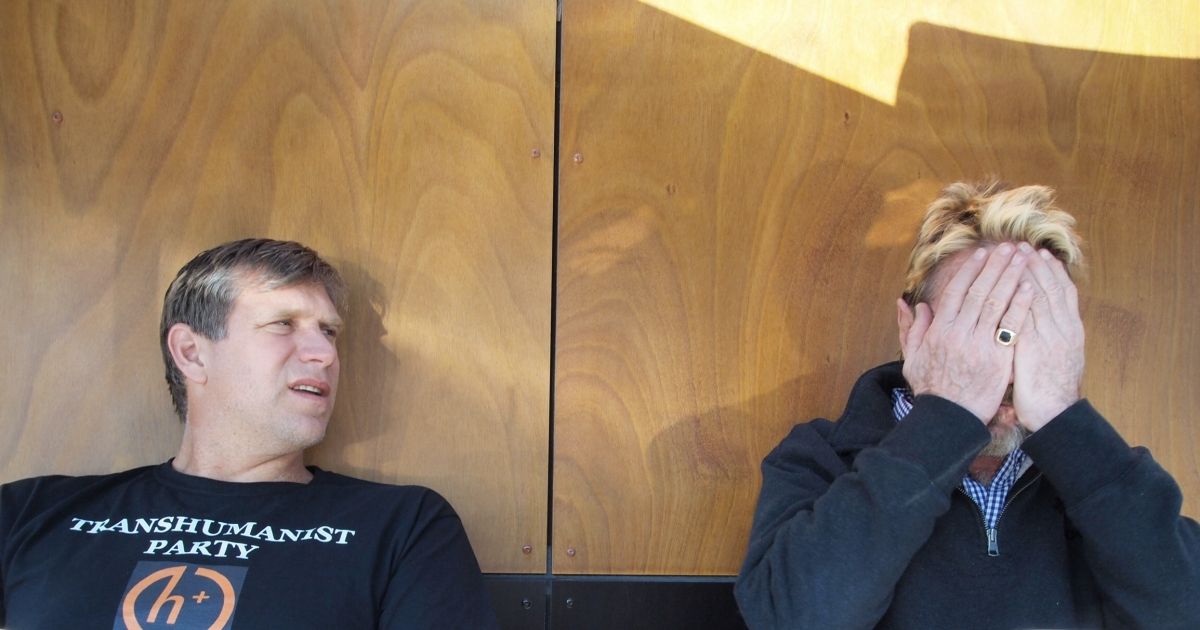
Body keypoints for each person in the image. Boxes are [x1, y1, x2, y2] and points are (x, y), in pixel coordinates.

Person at [735, 182, 1200, 629]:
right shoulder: (820, 456)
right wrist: (946, 416)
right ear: (909, 329)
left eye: (1031, 328)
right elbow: (793, 619)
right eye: (974, 325)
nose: (1002, 364)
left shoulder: (1098, 479)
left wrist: (1063, 417)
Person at [0, 238, 499, 629]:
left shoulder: (403, 528)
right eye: (284, 324)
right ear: (192, 353)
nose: (325, 354)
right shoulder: (28, 513)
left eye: (328, 332)